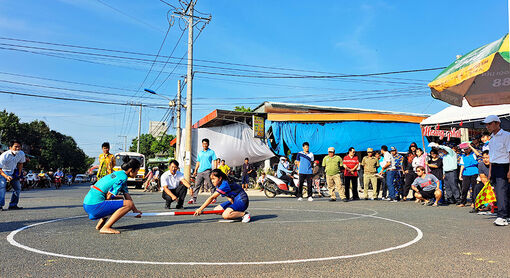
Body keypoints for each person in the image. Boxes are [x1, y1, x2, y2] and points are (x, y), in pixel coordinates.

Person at [83, 157, 142, 234]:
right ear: (131, 170)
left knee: (121, 199)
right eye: (137, 171)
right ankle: (105, 227)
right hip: (94, 206)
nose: (137, 173)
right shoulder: (123, 178)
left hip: (87, 204)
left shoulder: (119, 174)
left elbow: (127, 195)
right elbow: (109, 195)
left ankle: (100, 225)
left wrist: (135, 211)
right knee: (128, 204)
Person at [483, 115, 510, 226]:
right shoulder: (492, 139)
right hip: (494, 167)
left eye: (490, 123)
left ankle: (502, 216)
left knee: (501, 192)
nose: (487, 126)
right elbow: (492, 157)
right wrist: (490, 172)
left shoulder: (506, 135)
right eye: (487, 124)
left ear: (497, 123)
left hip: (505, 166)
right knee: (502, 192)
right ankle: (507, 215)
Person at [189, 138, 217, 204]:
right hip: (200, 171)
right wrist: (195, 170)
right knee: (197, 185)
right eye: (203, 144)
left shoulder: (211, 152)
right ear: (202, 144)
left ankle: (213, 197)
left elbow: (215, 160)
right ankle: (193, 199)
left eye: (206, 144)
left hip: (208, 171)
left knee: (211, 185)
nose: (205, 145)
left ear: (208, 144)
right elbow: (198, 162)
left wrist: (215, 170)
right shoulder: (200, 153)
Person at [0, 140, 26, 210]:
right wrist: (6, 176)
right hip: (3, 172)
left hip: (13, 172)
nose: (18, 148)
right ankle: (0, 205)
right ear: (10, 147)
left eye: (19, 146)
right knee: (2, 188)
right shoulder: (4, 155)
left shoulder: (21, 153)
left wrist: (19, 173)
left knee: (17, 188)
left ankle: (13, 205)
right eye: (15, 147)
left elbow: (21, 163)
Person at [458, 142, 480, 207]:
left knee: (474, 188)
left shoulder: (473, 154)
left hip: (474, 171)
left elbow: (478, 153)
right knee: (464, 188)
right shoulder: (463, 156)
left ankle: (474, 202)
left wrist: (470, 146)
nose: (466, 150)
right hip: (466, 172)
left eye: (467, 149)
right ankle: (463, 202)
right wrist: (460, 174)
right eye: (464, 149)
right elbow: (462, 165)